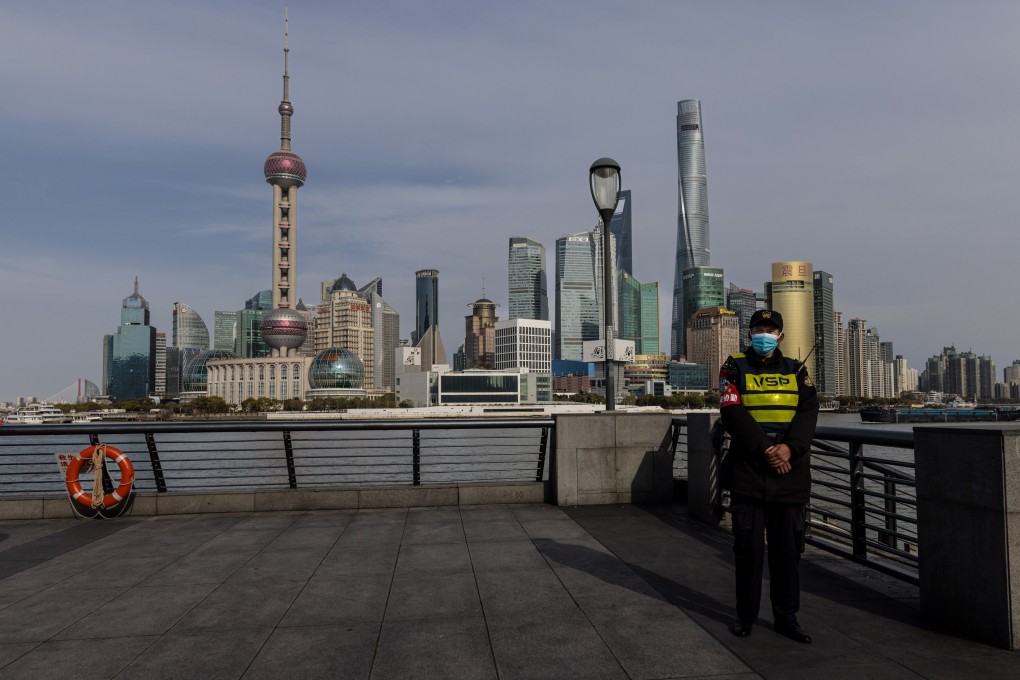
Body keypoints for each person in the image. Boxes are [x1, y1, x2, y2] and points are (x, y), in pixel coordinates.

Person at [718, 309, 819, 643]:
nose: (764, 335)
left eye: (770, 330)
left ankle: (787, 618)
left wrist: (790, 448)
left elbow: (807, 414)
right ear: (750, 334)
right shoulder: (733, 366)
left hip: (790, 474)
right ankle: (745, 616)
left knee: (787, 553)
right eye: (758, 329)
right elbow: (731, 411)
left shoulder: (798, 369)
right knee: (748, 552)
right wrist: (766, 448)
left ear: (781, 336)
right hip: (749, 471)